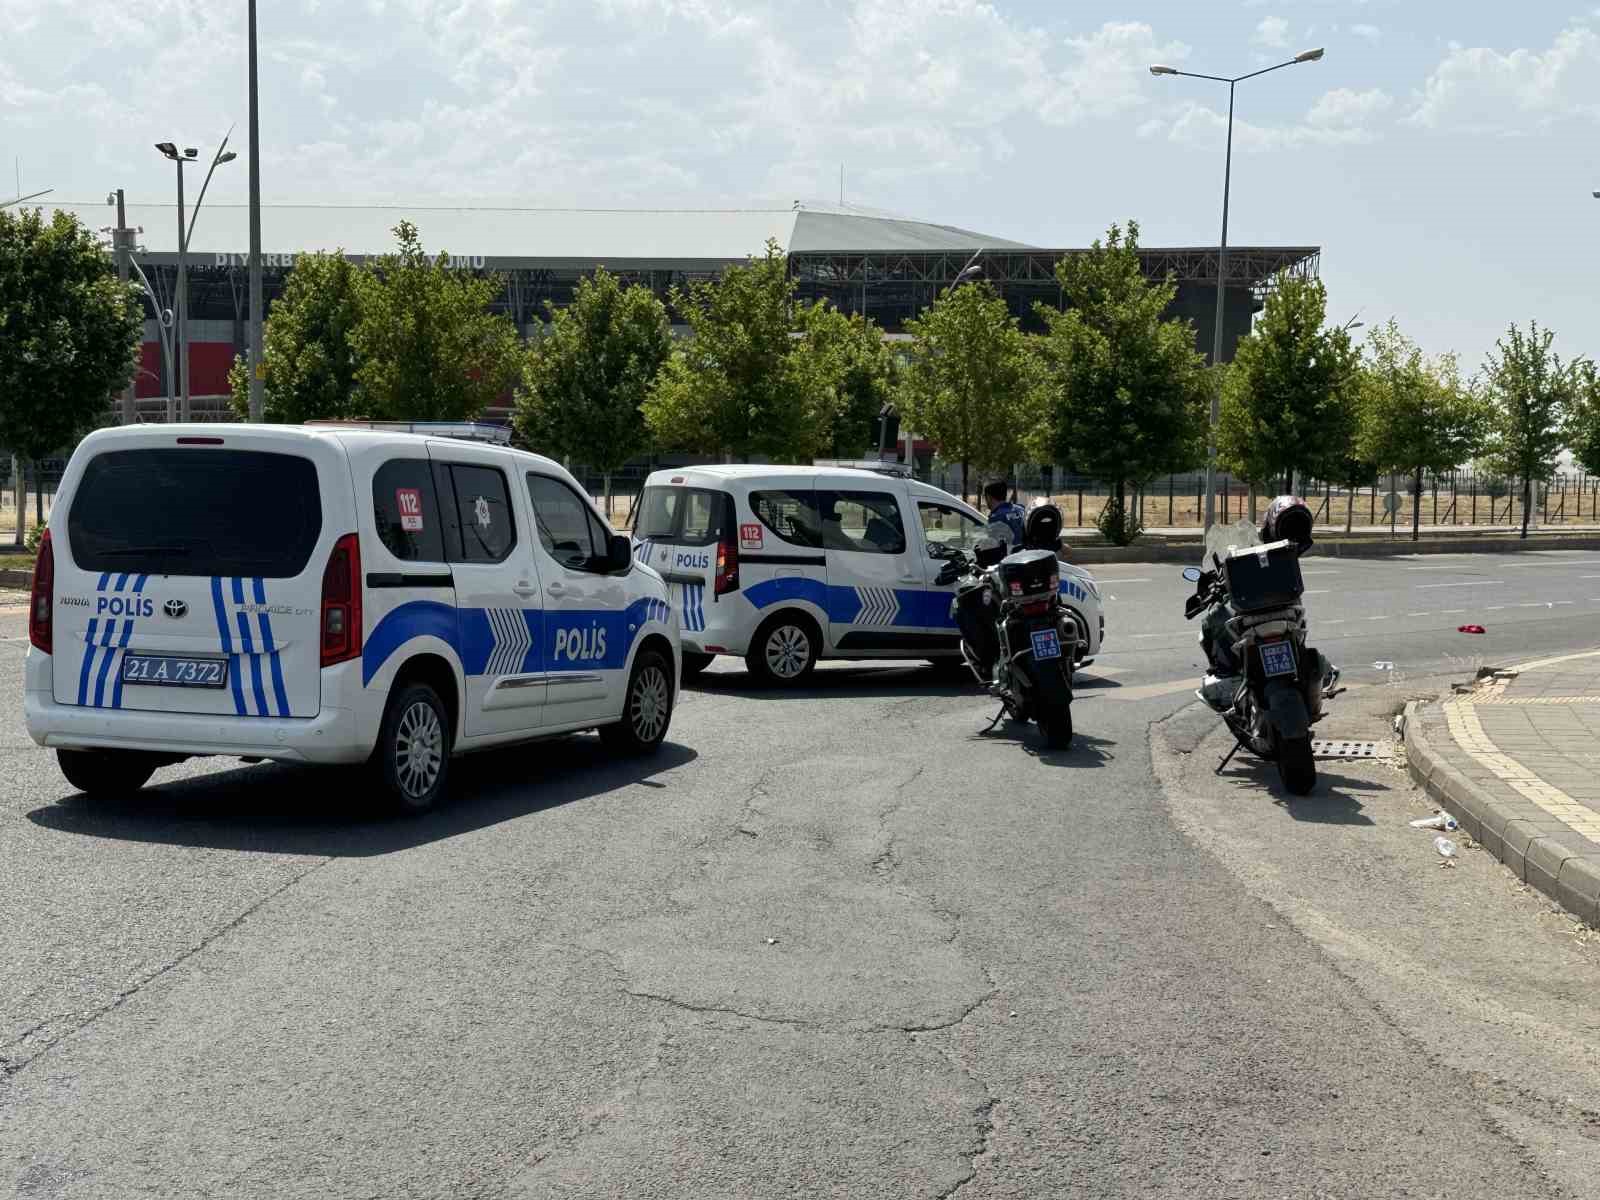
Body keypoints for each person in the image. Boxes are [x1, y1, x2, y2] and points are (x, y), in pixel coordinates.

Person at [983, 480, 1026, 546]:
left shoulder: (996, 517)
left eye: (984, 496)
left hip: (1010, 555)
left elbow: (995, 546)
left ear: (989, 497)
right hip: (1026, 553)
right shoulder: (1020, 509)